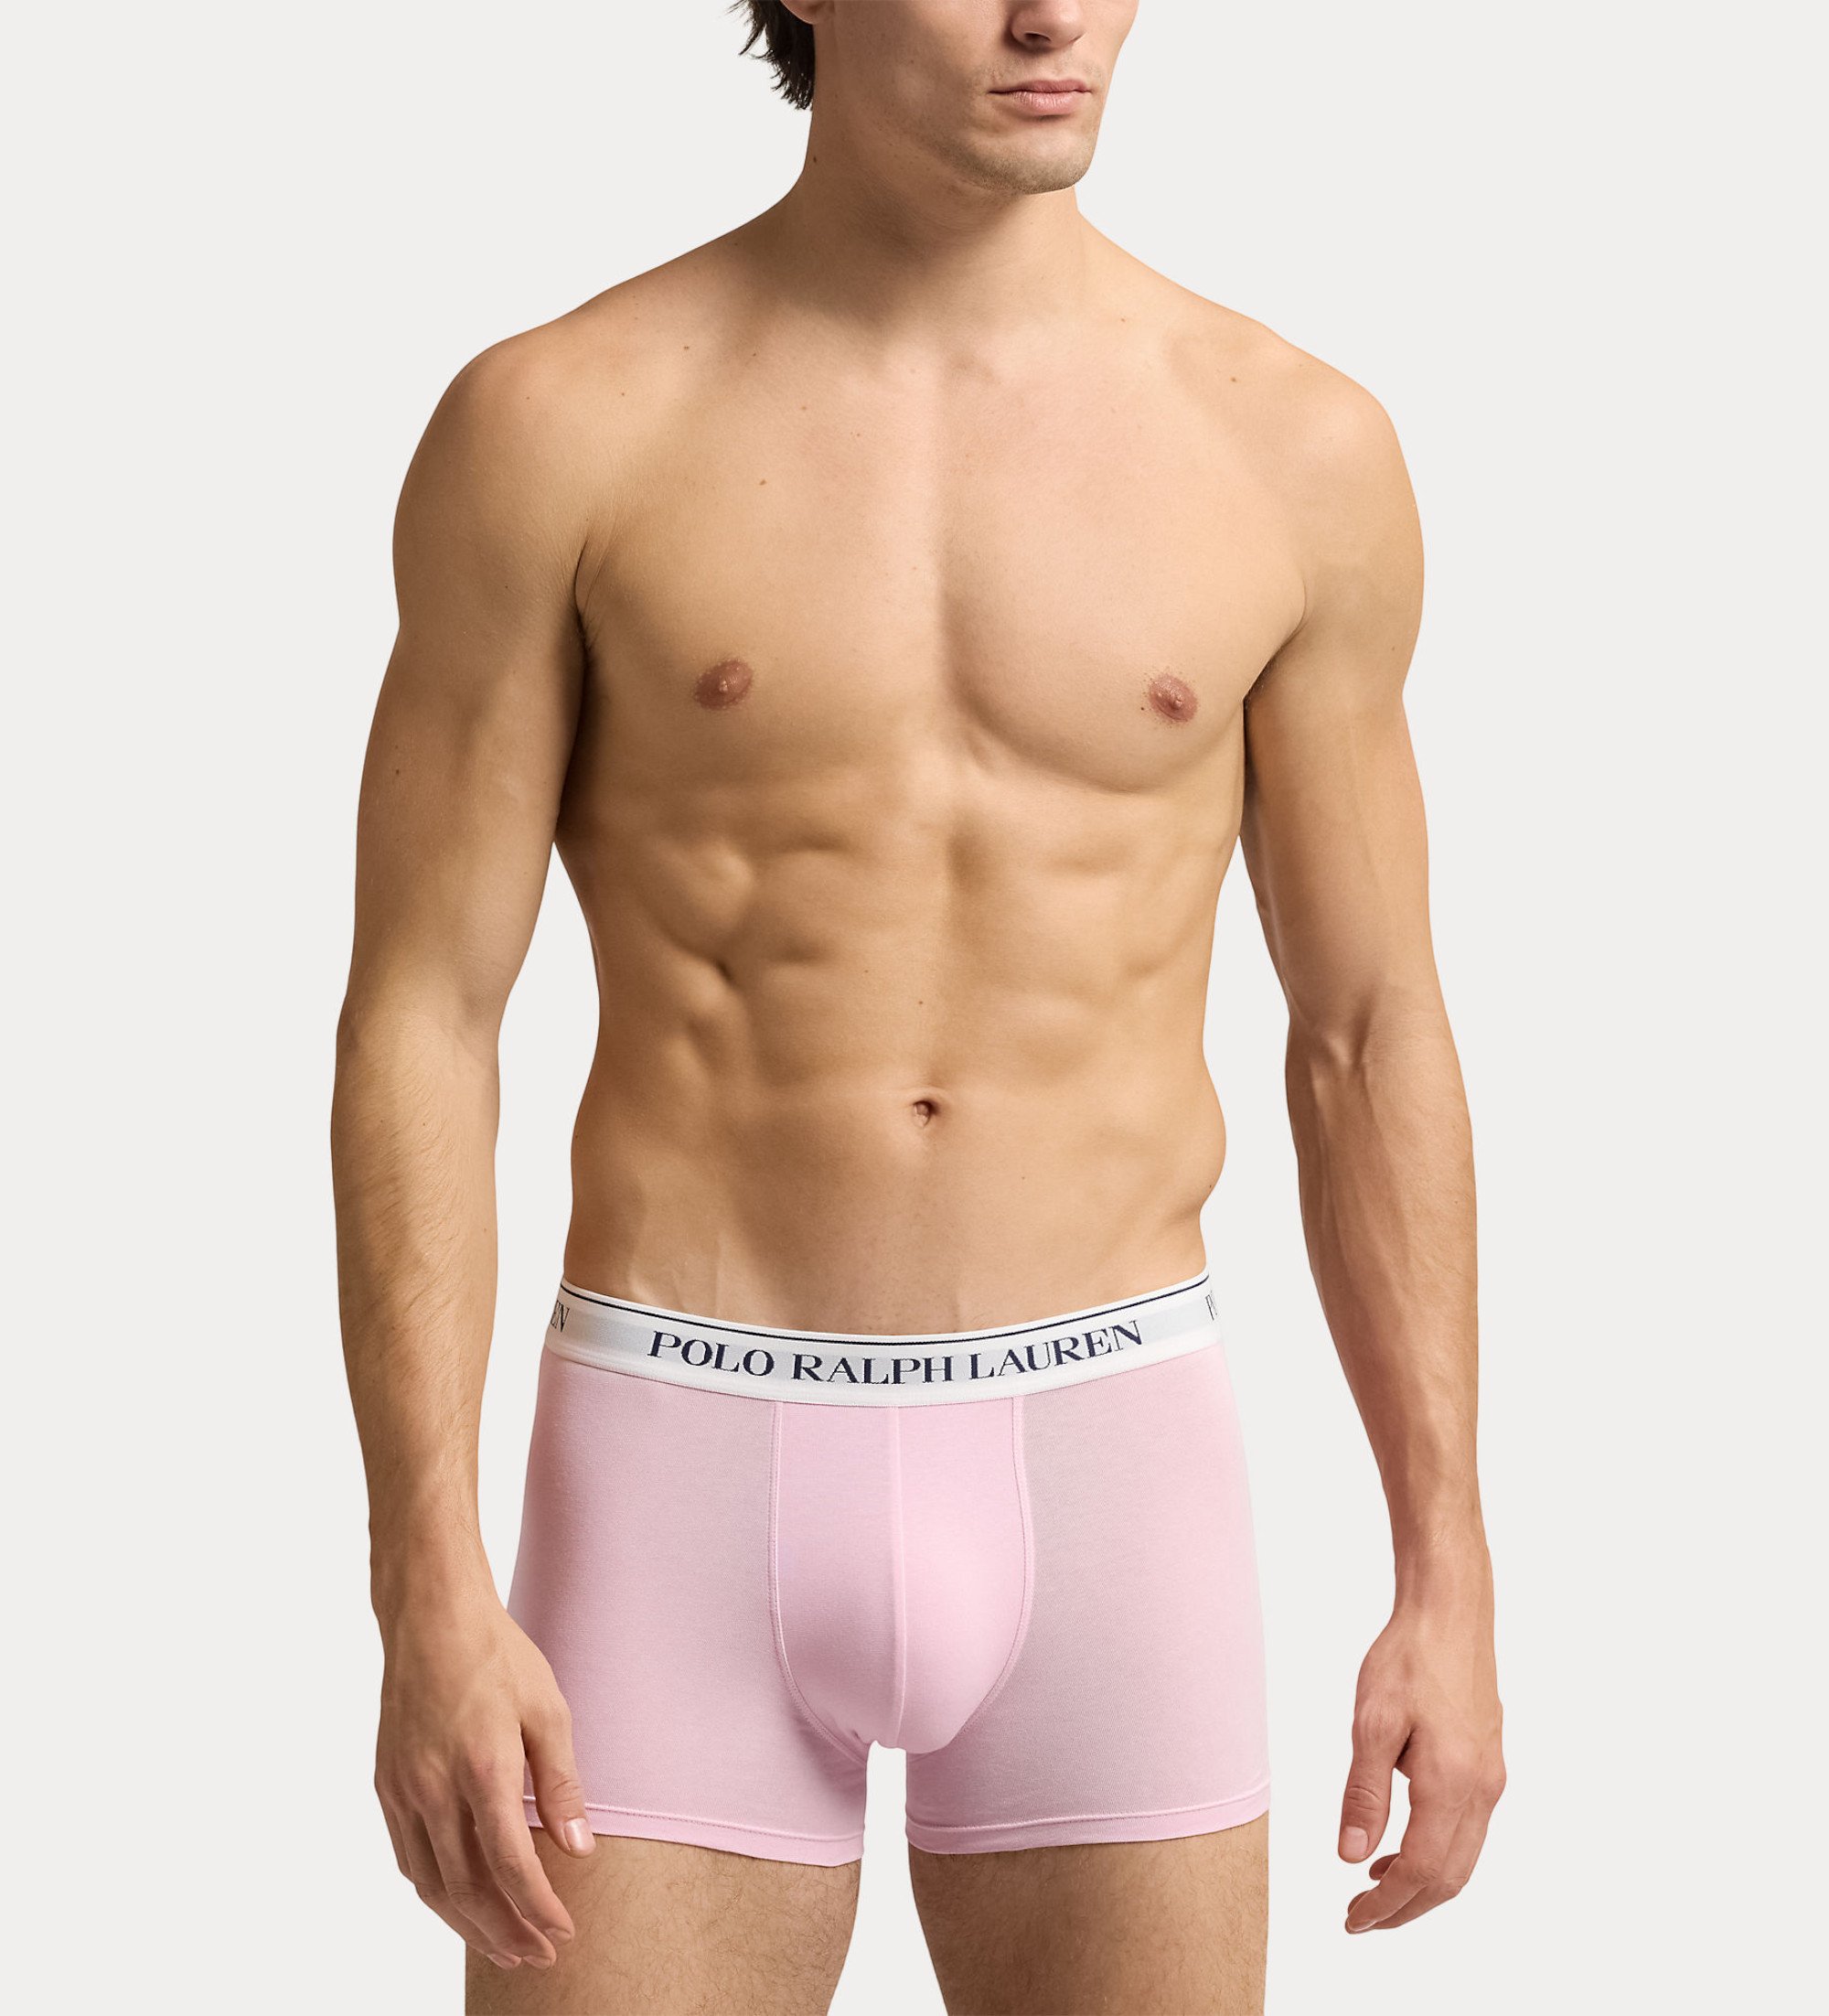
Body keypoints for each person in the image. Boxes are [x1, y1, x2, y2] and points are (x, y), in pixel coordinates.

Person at [330, 3, 1505, 2009]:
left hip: (1111, 1450)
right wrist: (423, 1585)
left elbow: (1368, 1029)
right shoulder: (562, 424)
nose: (1052, 11)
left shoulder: (1293, 446)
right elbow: (423, 1016)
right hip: (676, 1455)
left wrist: (1447, 1567)